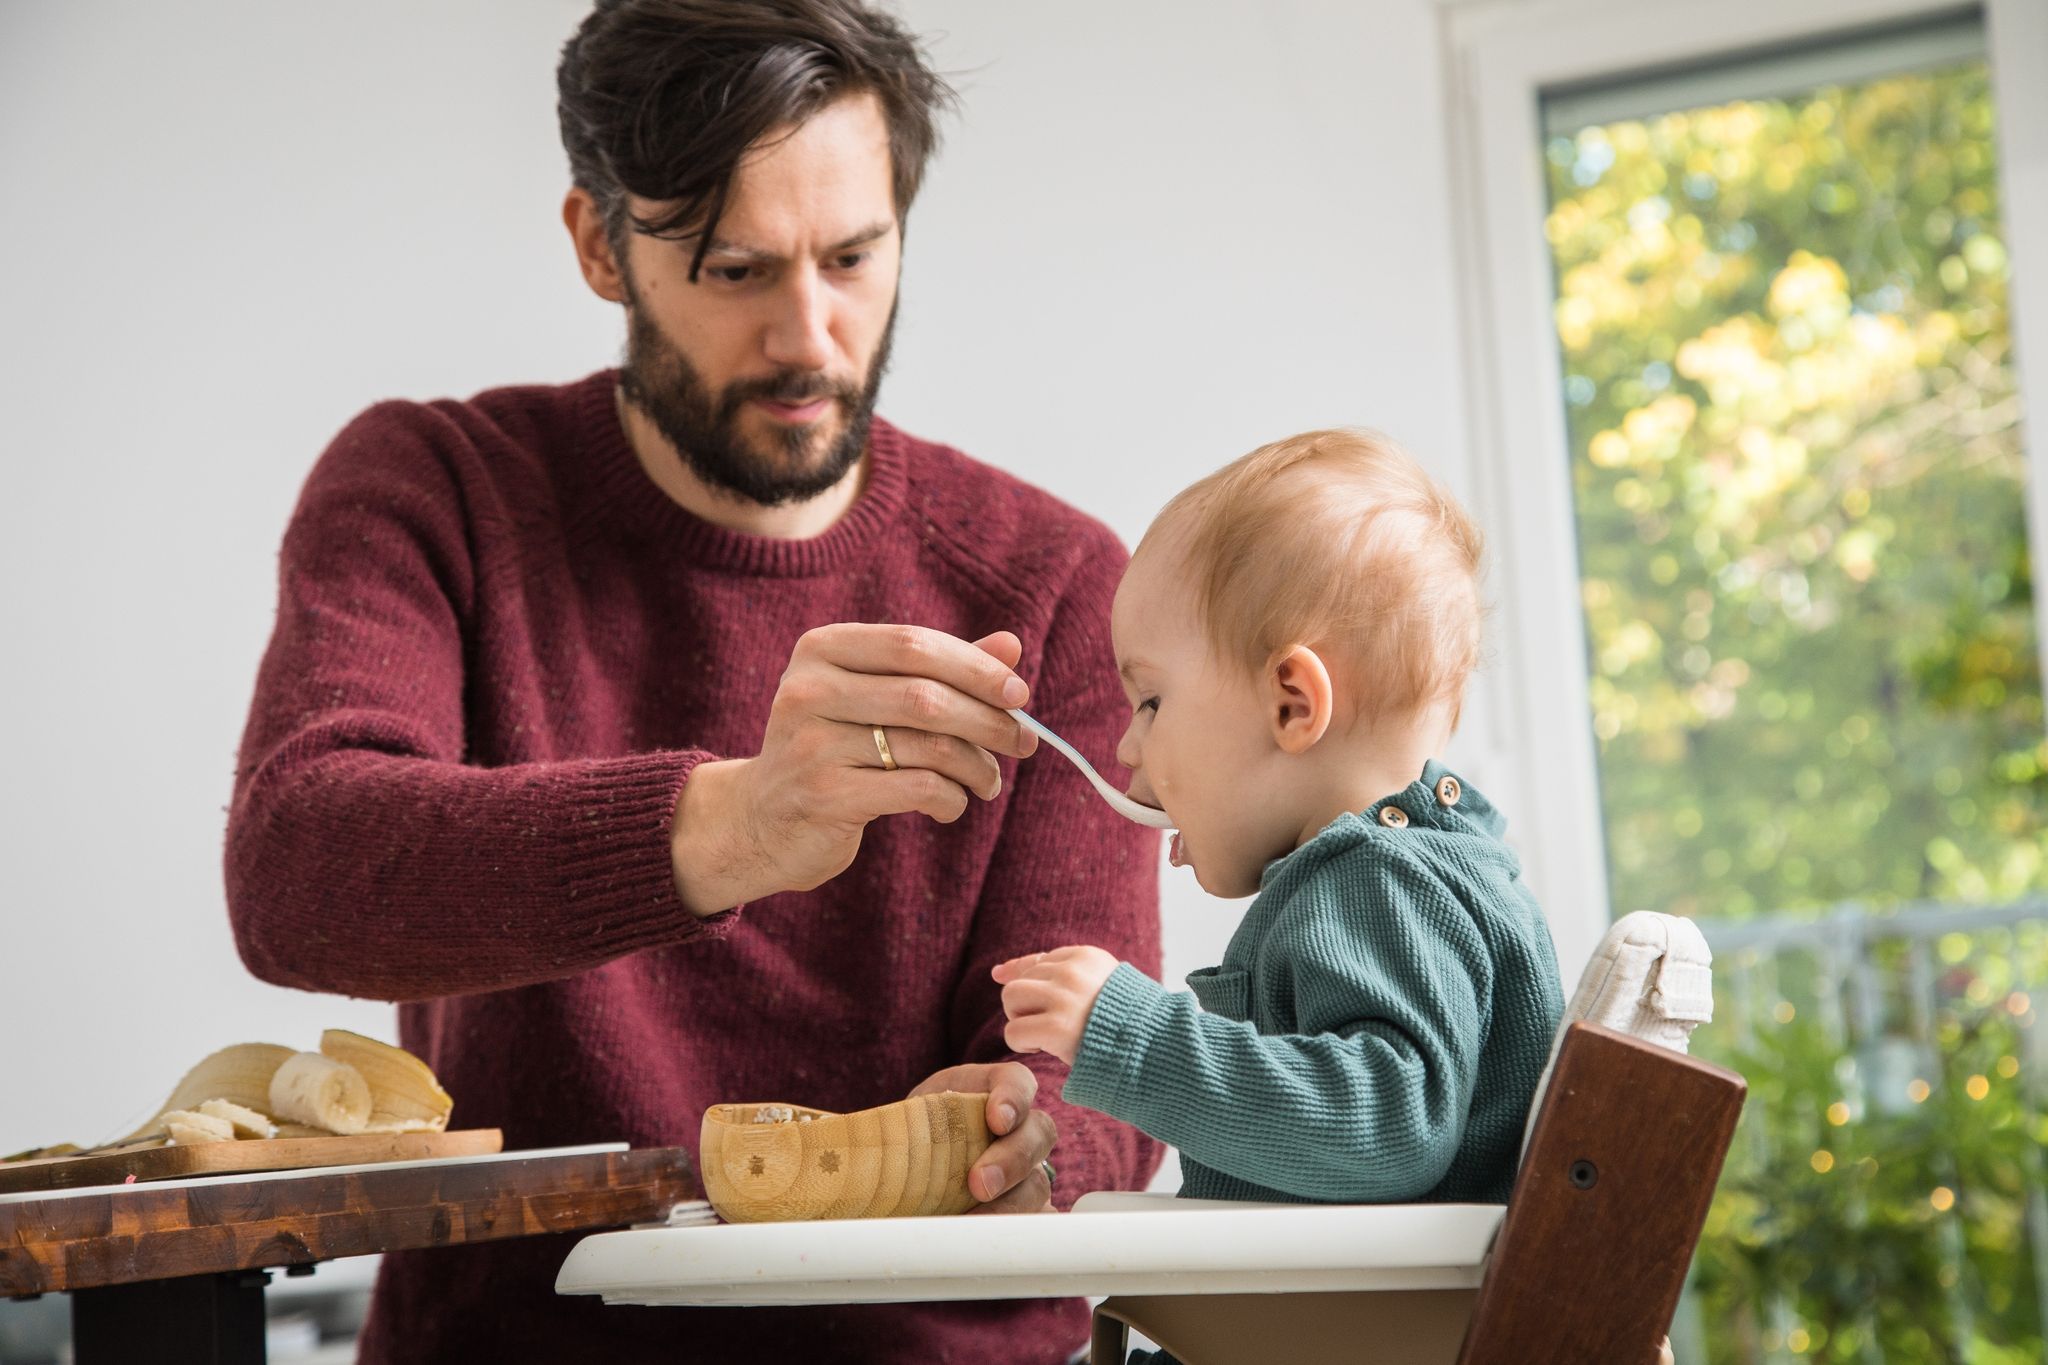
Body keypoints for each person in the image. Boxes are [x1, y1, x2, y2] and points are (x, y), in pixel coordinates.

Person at [223, 3, 1161, 1361]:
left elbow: (1091, 1063)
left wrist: (1043, 1138)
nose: (809, 336)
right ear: (602, 245)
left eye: (855, 256)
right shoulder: (433, 491)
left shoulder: (1057, 580)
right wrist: (741, 823)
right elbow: (297, 870)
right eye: (736, 269)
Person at [995, 428, 1565, 1219]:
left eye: (1151, 702)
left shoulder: (1383, 880)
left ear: (1292, 703)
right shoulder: (1412, 870)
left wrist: (1138, 1037)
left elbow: (1392, 1129)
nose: (1126, 747)